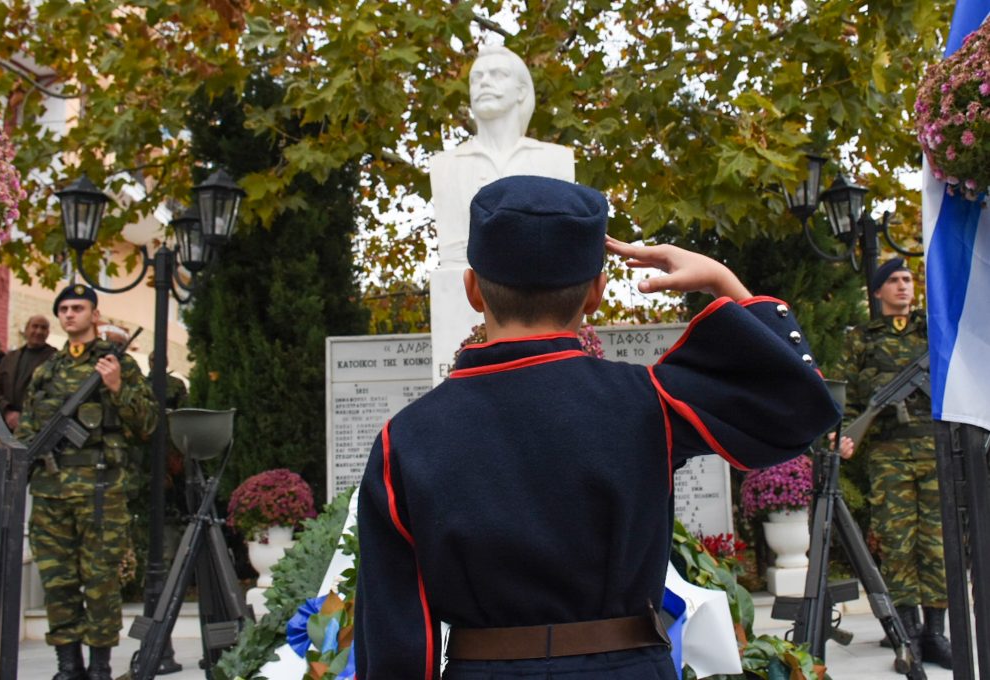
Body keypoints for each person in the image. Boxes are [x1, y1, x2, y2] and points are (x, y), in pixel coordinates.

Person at [354, 175, 841, 678]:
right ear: (595, 294)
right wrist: (723, 282)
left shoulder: (404, 439)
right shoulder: (650, 400)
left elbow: (396, 639)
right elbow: (797, 404)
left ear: (473, 290)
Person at [16, 284, 156, 680]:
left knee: (100, 581)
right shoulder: (46, 372)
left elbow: (147, 425)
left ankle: (99, 668)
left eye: (78, 307)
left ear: (95, 314)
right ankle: (68, 666)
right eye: (63, 308)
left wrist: (116, 388)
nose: (69, 314)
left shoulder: (118, 365)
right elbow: (27, 432)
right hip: (50, 492)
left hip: (100, 492)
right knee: (57, 581)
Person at [832, 257, 952, 669]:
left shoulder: (933, 331)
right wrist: (844, 432)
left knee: (936, 543)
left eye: (908, 280)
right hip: (888, 455)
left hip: (935, 450)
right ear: (879, 291)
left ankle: (936, 634)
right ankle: (908, 635)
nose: (904, 287)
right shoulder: (862, 339)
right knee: (897, 542)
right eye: (895, 281)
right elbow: (844, 390)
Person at [430, 45, 575, 268]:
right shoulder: (444, 165)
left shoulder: (556, 160)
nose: (484, 82)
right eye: (476, 78)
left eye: (498, 74)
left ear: (521, 91)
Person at [0, 315, 57, 431]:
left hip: (36, 427)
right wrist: (8, 412)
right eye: (35, 326)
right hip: (5, 426)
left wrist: (26, 417)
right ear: (26, 330)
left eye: (43, 328)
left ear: (48, 332)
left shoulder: (55, 358)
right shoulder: (10, 358)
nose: (39, 331)